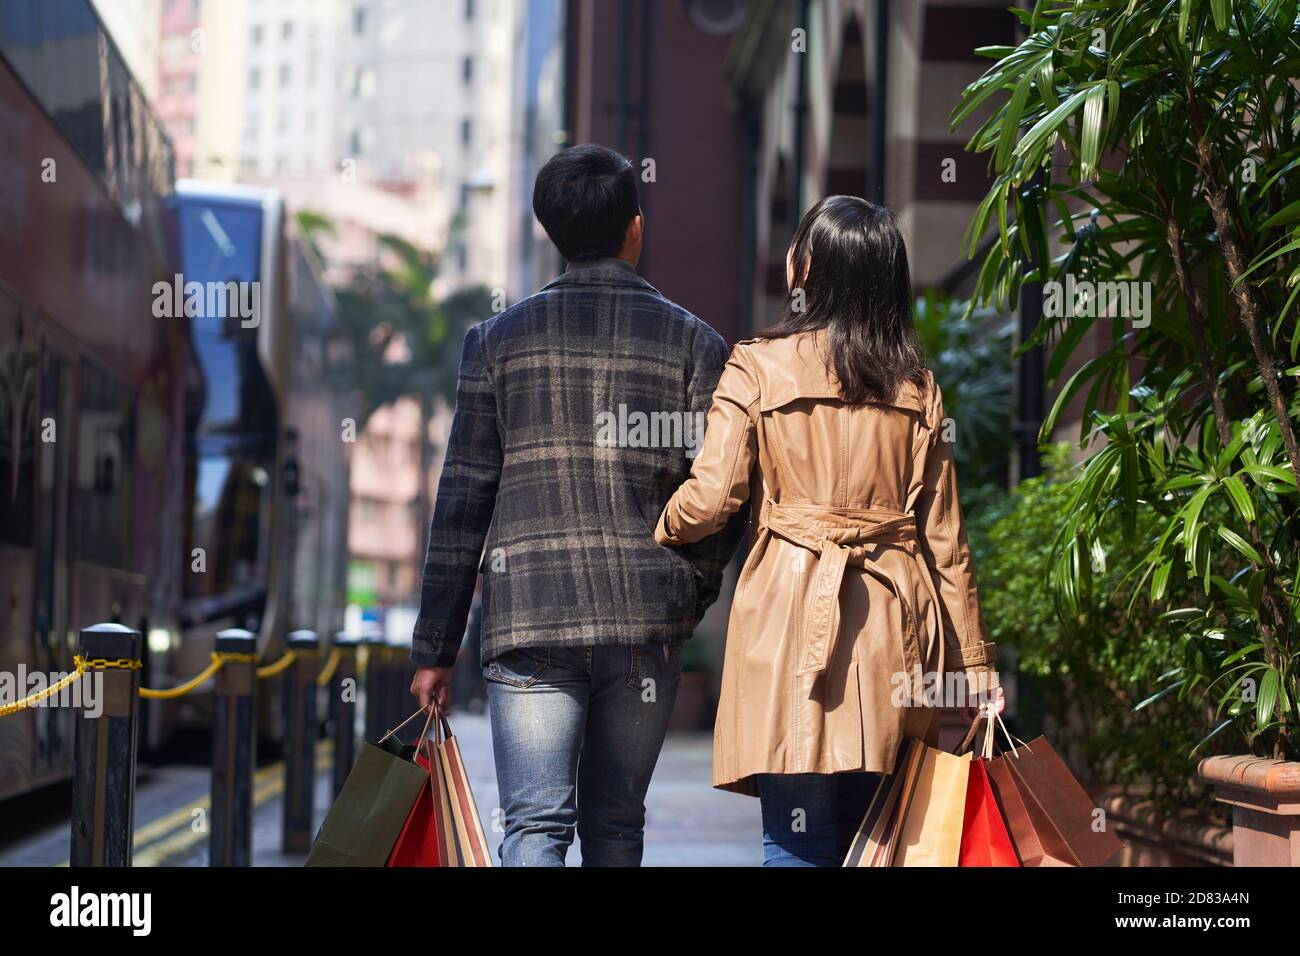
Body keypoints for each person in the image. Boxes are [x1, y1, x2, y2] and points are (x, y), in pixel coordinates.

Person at [409, 144, 745, 866]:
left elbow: (463, 500)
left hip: (530, 618)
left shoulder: (495, 342)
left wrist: (435, 648)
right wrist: (688, 593)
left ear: (548, 231)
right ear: (636, 226)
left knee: (534, 827)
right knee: (618, 825)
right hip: (643, 623)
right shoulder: (696, 344)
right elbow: (723, 492)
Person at [655, 195, 1003, 867]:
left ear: (809, 265)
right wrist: (977, 668)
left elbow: (712, 497)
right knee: (889, 839)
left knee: (797, 835)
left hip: (790, 623)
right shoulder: (917, 385)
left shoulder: (756, 365)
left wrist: (659, 526)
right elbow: (945, 542)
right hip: (896, 626)